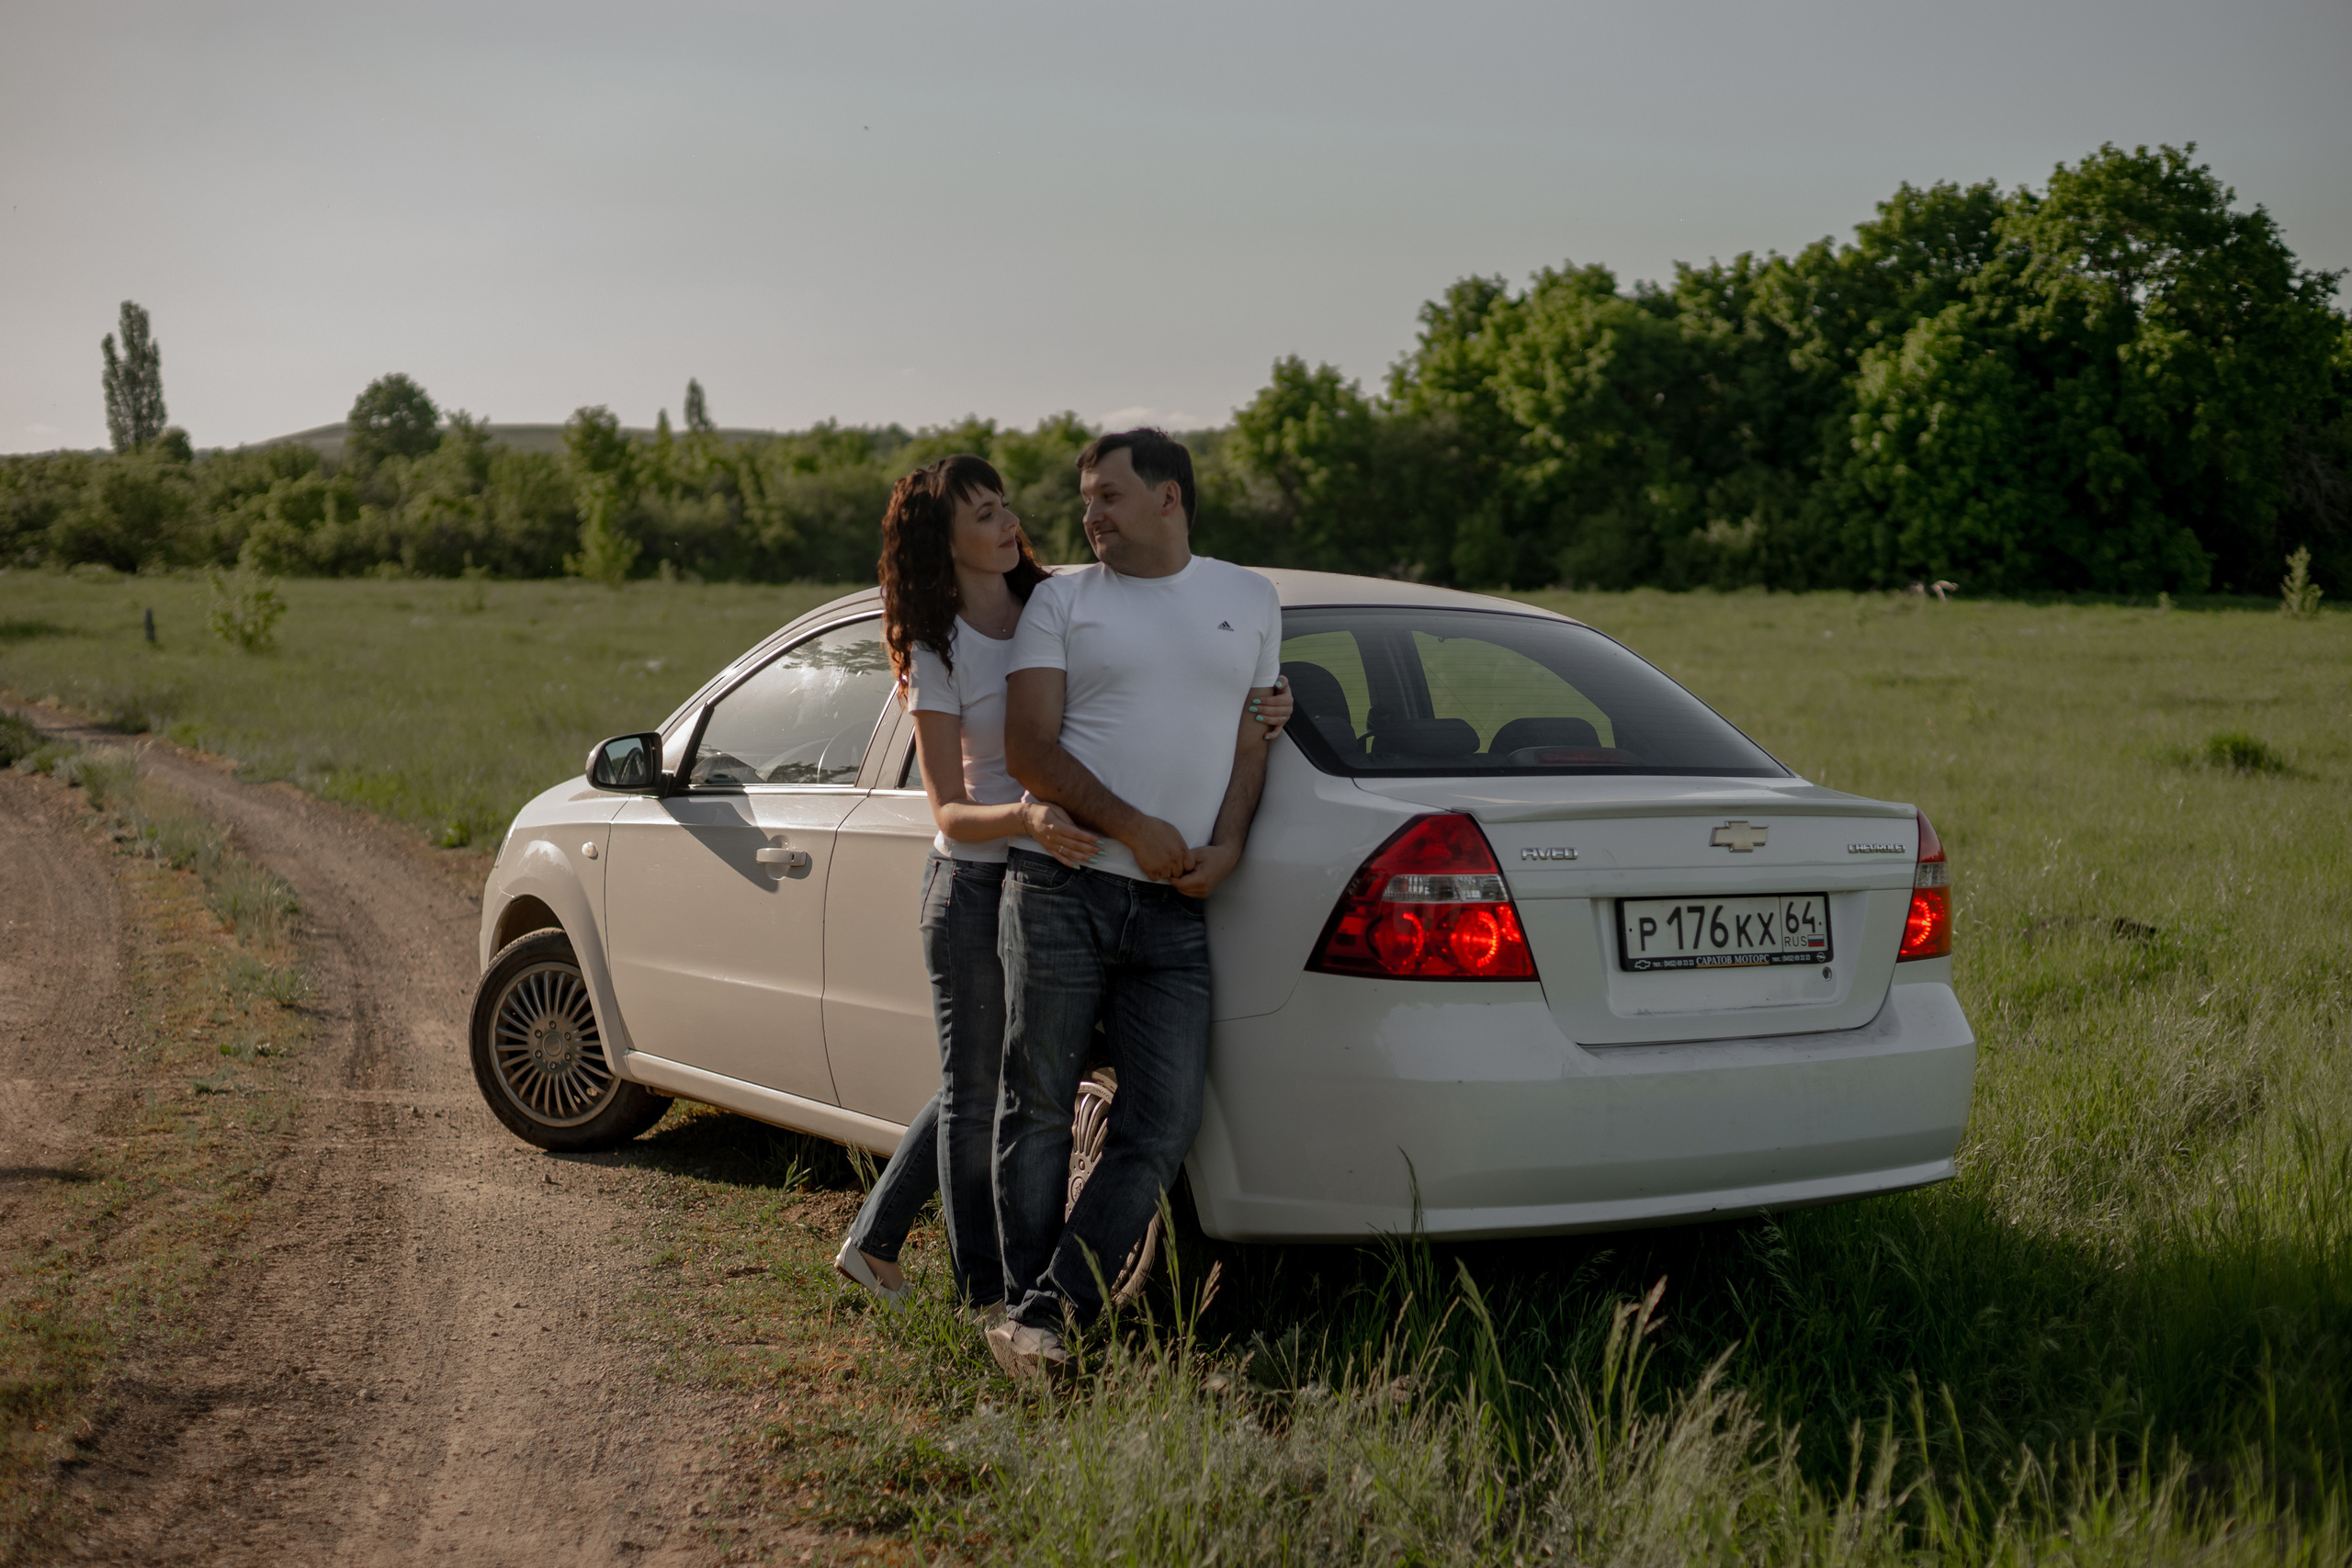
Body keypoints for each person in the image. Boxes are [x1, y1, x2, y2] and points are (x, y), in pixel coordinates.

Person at [835, 454, 1288, 1314]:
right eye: (984, 515)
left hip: (1057, 874)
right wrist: (1030, 821)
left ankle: (885, 1239)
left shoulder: (1055, 602)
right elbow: (949, 809)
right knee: (980, 1094)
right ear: (942, 541)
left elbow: (1161, 678)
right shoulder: (939, 648)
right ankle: (983, 1298)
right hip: (978, 880)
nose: (1010, 524)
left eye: (1006, 507)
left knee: (1013, 1081)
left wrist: (1266, 699)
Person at [987, 428, 1285, 1379]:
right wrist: (1135, 824)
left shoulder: (1247, 598)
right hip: (1062, 890)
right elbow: (1030, 749)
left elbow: (1250, 743)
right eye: (1085, 496)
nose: (1090, 514)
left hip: (1171, 910)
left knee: (1159, 1124)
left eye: (1109, 495)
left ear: (1168, 498)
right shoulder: (1063, 602)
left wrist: (1229, 844)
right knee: (1036, 1107)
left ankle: (1045, 1311)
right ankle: (1019, 1314)